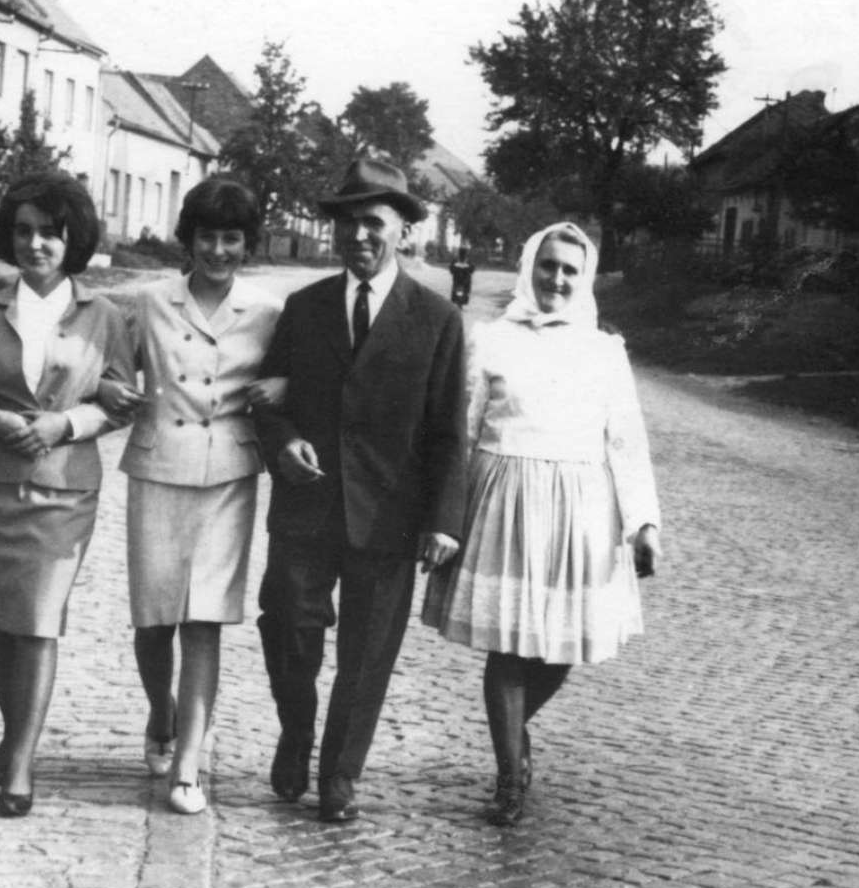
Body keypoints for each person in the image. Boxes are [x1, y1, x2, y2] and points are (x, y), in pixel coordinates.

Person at [422, 222, 663, 827]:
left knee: (559, 648)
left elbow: (626, 440)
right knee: (509, 645)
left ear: (585, 279)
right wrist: (445, 514)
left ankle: (513, 730)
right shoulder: (492, 339)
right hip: (504, 500)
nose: (556, 279)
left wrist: (644, 523)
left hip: (581, 509)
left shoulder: (604, 351)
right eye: (548, 265)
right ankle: (510, 777)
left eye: (569, 270)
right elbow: (462, 431)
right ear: (530, 267)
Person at [253, 158, 467, 823]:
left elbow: (447, 430)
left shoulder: (436, 319)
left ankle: (339, 774)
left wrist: (443, 519)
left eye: (373, 223)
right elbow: (267, 401)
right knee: (287, 627)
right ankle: (296, 731)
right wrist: (284, 443)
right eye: (347, 224)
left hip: (389, 515)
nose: (359, 236)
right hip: (307, 505)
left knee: (367, 654)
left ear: (403, 230)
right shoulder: (305, 308)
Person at [0, 170, 132, 818]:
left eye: (51, 232)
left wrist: (65, 424)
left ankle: (21, 762)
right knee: (2, 619)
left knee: (40, 621)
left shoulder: (104, 317)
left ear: (73, 239)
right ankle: (11, 733)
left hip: (63, 491)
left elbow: (121, 402)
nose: (36, 244)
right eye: (23, 231)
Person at [98, 177, 283, 815]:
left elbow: (295, 377)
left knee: (204, 621)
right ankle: (162, 711)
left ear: (248, 243)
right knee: (153, 621)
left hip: (228, 476)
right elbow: (110, 369)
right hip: (157, 469)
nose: (219, 250)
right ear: (189, 239)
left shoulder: (267, 312)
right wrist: (110, 389)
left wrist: (283, 387)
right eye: (208, 236)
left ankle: (188, 764)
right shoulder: (150, 301)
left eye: (232, 238)